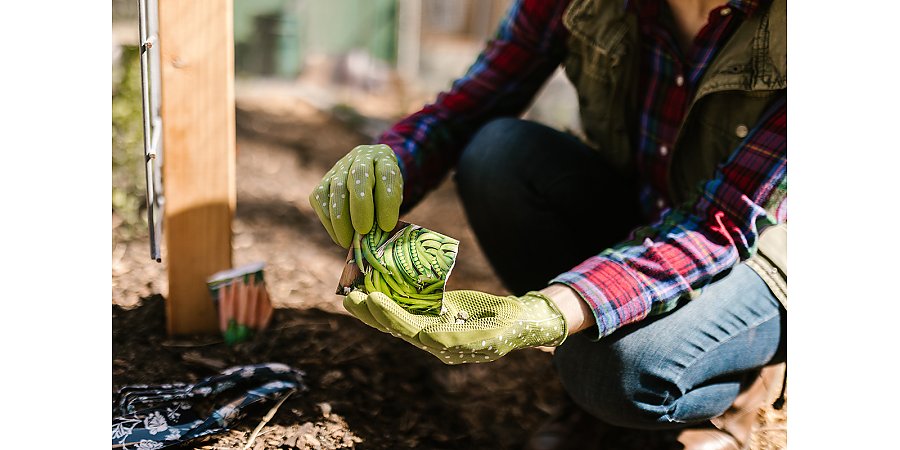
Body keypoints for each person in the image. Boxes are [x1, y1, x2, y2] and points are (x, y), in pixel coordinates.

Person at [310, 0, 786, 448]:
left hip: (755, 250)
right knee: (497, 154)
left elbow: (715, 223)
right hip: (644, 213)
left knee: (617, 370)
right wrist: (393, 164)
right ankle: (593, 382)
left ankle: (738, 387)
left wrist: (547, 313)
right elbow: (473, 102)